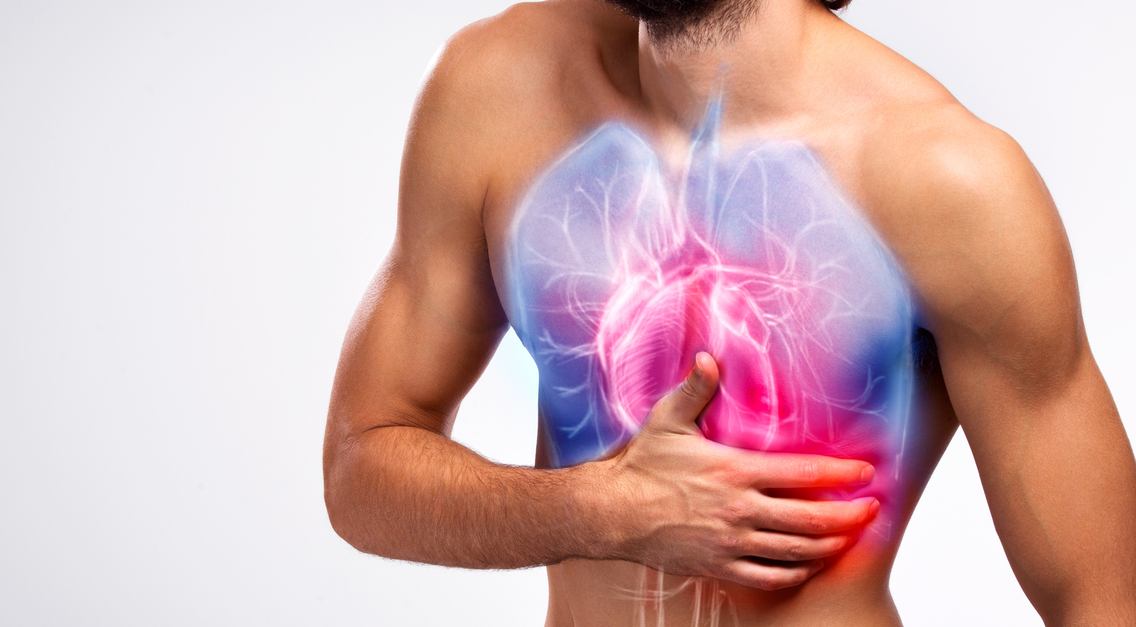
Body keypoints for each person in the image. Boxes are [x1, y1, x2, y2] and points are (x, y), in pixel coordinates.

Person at [322, 0, 1136, 625]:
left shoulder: (947, 181)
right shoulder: (498, 92)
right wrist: (603, 507)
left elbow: (1101, 598)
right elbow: (361, 467)